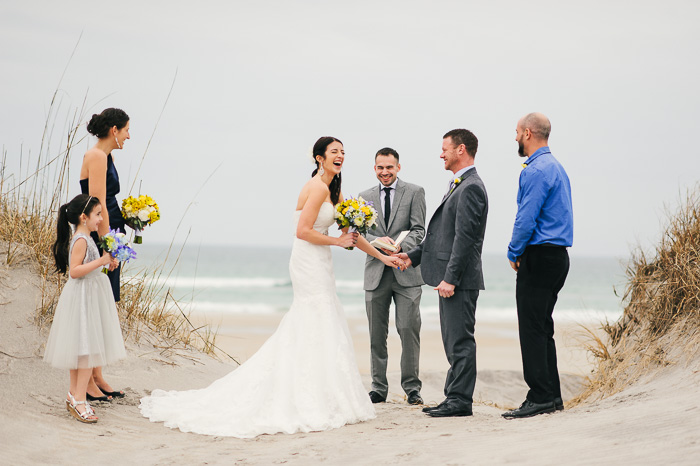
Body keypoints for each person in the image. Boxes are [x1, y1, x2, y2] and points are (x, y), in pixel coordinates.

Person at [139, 137, 404, 438]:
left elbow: (350, 235)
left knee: (324, 318)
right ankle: (303, 393)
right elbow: (302, 231)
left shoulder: (335, 188)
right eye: (334, 152)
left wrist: (383, 254)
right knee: (314, 315)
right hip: (308, 260)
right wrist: (336, 241)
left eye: (343, 152)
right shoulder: (317, 187)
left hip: (322, 261)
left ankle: (322, 391)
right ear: (320, 158)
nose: (340, 155)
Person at [397, 129, 488, 418]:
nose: (441, 154)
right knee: (453, 340)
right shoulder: (459, 185)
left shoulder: (471, 187)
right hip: (450, 278)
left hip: (458, 280)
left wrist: (450, 278)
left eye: (445, 149)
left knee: (460, 341)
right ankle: (454, 397)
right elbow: (440, 237)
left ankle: (460, 401)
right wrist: (411, 257)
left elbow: (464, 240)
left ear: (461, 149)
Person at [502, 113, 573, 419]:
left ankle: (540, 396)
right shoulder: (556, 166)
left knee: (532, 327)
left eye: (517, 132)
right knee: (543, 327)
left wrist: (513, 251)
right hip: (557, 256)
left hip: (540, 254)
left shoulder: (536, 170)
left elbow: (526, 217)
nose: (515, 137)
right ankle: (552, 395)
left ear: (528, 133)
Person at [43, 194, 127, 423]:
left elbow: (87, 268)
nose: (101, 219)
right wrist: (101, 261)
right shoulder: (80, 239)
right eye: (97, 214)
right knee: (84, 350)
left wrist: (106, 263)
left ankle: (75, 395)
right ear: (83, 216)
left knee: (83, 348)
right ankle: (79, 398)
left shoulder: (87, 238)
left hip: (90, 295)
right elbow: (74, 272)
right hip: (82, 298)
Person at [359, 147, 426, 405]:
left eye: (389, 167)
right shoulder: (364, 197)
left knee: (409, 330)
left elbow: (419, 230)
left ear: (398, 167)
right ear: (374, 168)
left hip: (406, 270)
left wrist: (401, 248)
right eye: (380, 168)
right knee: (377, 333)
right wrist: (378, 242)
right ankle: (378, 388)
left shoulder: (415, 192)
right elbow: (359, 235)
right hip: (376, 272)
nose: (385, 172)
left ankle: (412, 389)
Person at [80, 107, 130, 402]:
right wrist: (108, 245)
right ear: (114, 130)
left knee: (105, 304)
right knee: (98, 306)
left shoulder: (107, 156)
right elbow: (97, 204)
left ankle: (97, 376)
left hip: (111, 232)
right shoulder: (96, 156)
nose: (127, 136)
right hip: (101, 236)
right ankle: (88, 381)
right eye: (126, 130)